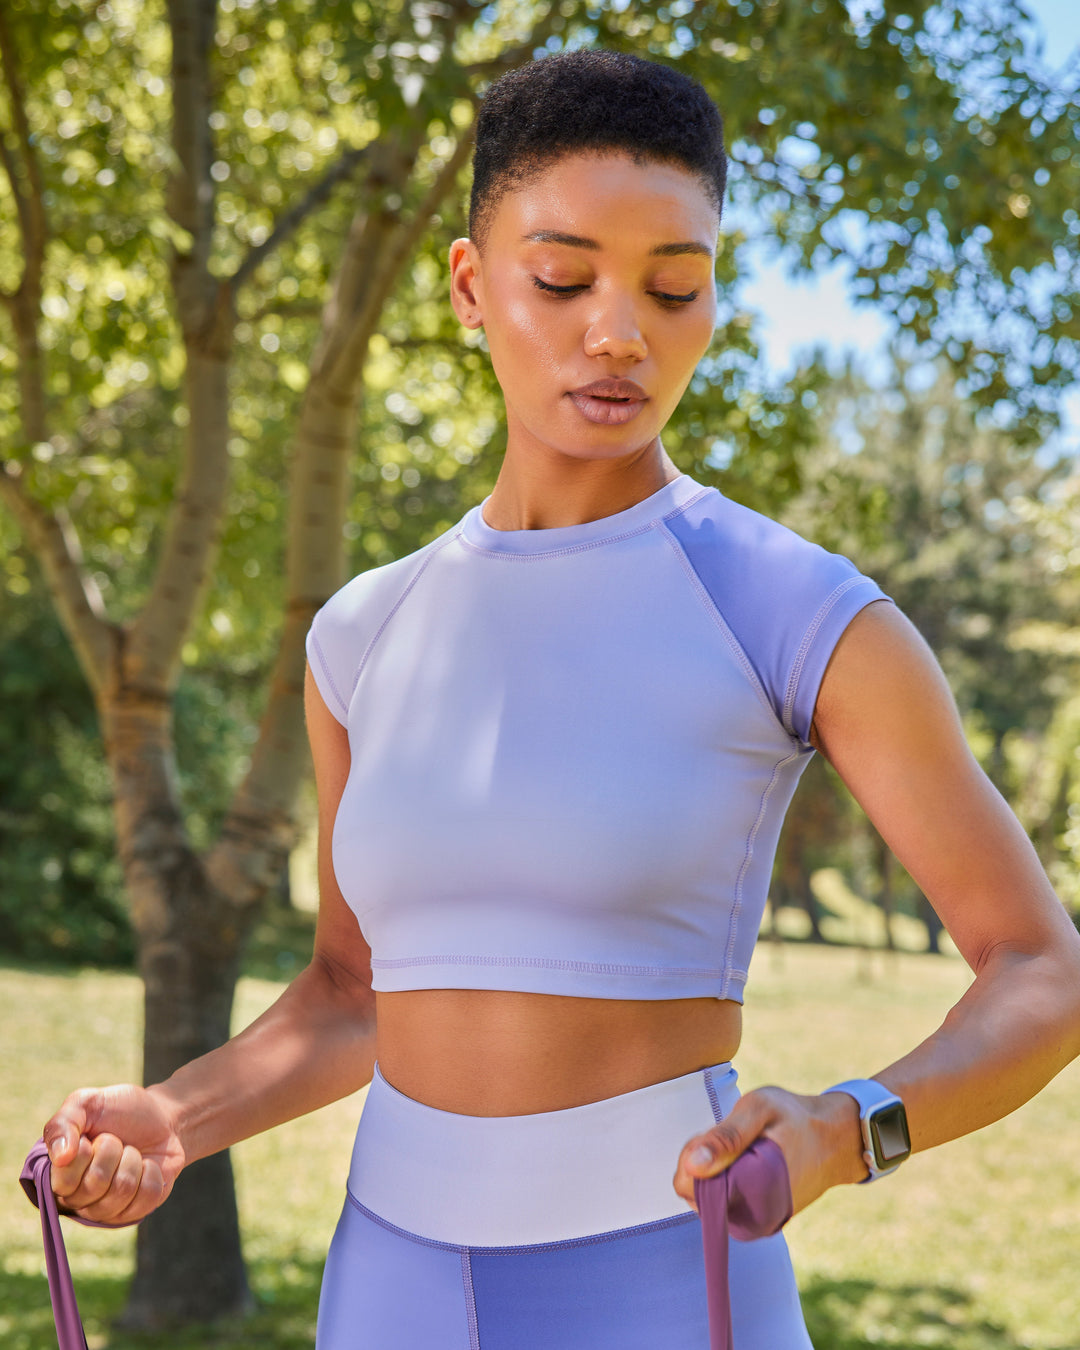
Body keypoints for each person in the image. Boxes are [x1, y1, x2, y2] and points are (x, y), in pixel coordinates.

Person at [41, 50, 1080, 1349]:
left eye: (673, 286)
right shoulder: (361, 634)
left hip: (665, 1274)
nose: (619, 332)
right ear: (474, 289)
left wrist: (851, 1124)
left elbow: (1042, 969)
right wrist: (173, 1117)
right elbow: (353, 990)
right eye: (561, 276)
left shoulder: (793, 611)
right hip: (390, 1285)